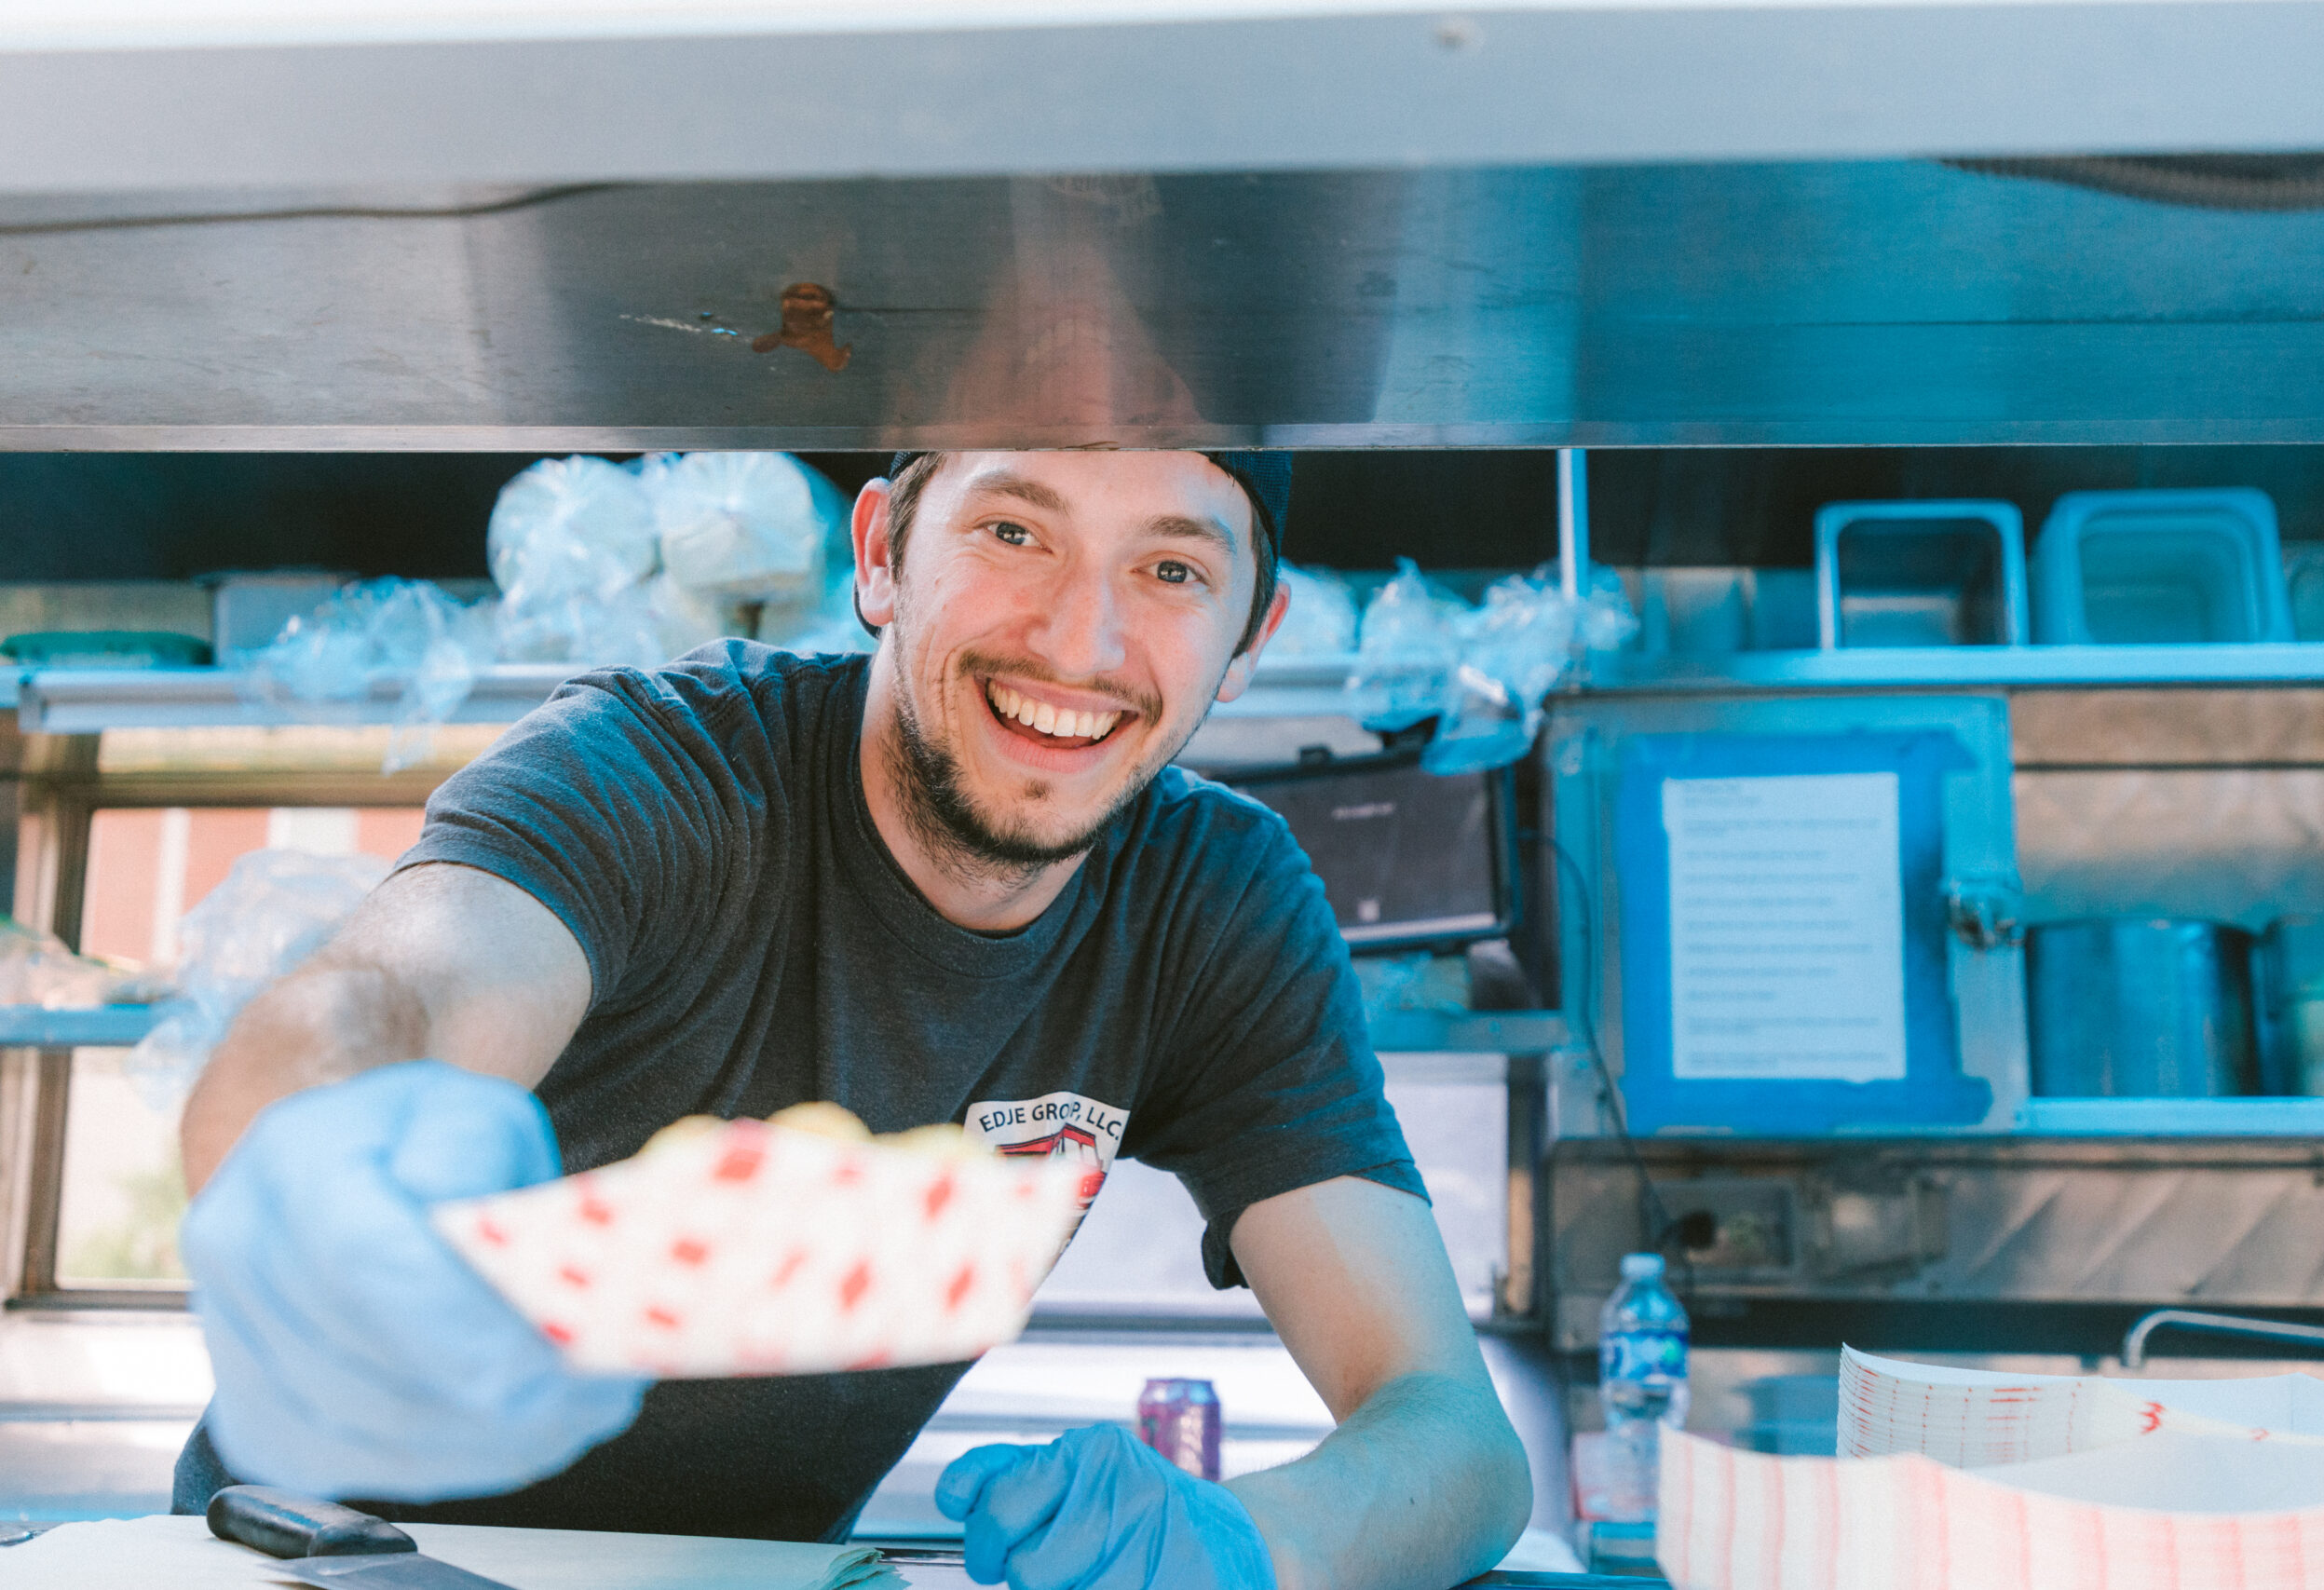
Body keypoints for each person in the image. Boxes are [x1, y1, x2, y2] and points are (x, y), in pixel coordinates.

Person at [171, 449, 1532, 1590]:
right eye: (1014, 530)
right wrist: (318, 1142)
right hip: (331, 1560)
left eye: (1173, 569)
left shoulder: (1211, 901)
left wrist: (1249, 1542)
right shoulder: (663, 768)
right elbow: (398, 987)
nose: (1082, 639)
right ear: (881, 554)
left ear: (1250, 635)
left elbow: (1455, 1435)